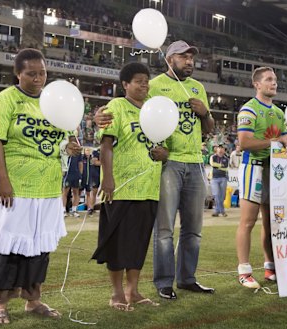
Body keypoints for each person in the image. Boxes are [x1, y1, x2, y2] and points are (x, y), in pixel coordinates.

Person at [0, 48, 80, 324]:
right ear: (18, 74)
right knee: (5, 246)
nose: (38, 78)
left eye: (42, 73)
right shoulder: (5, 100)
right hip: (14, 186)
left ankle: (33, 299)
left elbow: (62, 140)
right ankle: (0, 304)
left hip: (47, 187)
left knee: (39, 246)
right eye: (32, 73)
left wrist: (70, 146)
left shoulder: (55, 101)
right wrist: (3, 182)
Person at [95, 40, 215, 299]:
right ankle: (163, 282)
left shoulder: (198, 87)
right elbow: (130, 105)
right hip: (168, 162)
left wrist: (205, 113)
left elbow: (210, 129)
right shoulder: (153, 86)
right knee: (164, 230)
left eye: (191, 57)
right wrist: (100, 116)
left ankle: (187, 279)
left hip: (195, 162)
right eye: (183, 57)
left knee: (194, 229)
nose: (190, 61)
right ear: (169, 59)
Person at [91, 62, 168, 311]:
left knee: (138, 242)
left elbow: (165, 147)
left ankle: (132, 291)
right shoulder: (116, 107)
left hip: (149, 187)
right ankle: (116, 293)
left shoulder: (153, 110)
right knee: (117, 242)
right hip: (122, 187)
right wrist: (108, 178)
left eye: (146, 80)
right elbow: (106, 144)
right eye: (138, 81)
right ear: (125, 84)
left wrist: (163, 154)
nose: (144, 85)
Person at [235, 67, 287, 289]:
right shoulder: (249, 109)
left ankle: (270, 267)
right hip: (253, 167)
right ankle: (244, 271)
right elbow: (245, 143)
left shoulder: (279, 113)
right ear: (257, 84)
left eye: (275, 80)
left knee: (271, 223)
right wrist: (275, 141)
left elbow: (285, 140)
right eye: (269, 79)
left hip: (274, 170)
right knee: (248, 221)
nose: (274, 83)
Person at [209, 144, 229, 217]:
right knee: (216, 194)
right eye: (219, 148)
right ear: (216, 149)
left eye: (222, 148)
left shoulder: (226, 158)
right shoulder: (213, 157)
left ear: (224, 150)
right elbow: (212, 164)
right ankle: (221, 211)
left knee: (222, 195)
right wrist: (220, 165)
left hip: (223, 178)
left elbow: (225, 168)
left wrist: (217, 166)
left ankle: (217, 211)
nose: (220, 150)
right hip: (214, 178)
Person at [62, 152, 83, 217]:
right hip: (67, 174)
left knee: (76, 192)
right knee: (65, 192)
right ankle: (63, 210)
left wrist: (80, 175)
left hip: (76, 175)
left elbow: (80, 163)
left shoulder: (78, 153)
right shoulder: (64, 151)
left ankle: (74, 210)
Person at [81, 147, 100, 215]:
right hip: (95, 175)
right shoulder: (96, 152)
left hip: (101, 174)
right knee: (93, 192)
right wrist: (106, 162)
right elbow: (95, 162)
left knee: (95, 192)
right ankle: (90, 208)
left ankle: (92, 207)